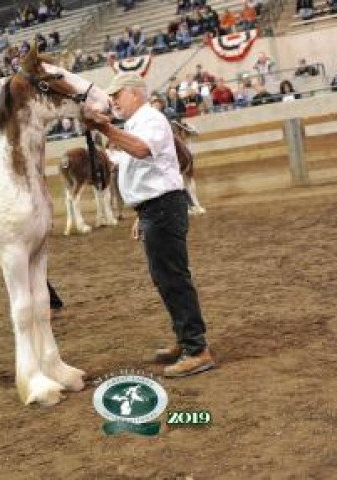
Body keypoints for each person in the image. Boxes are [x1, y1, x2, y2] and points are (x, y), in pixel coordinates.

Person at [81, 73, 214, 377]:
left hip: (165, 207)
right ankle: (187, 340)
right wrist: (143, 214)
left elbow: (141, 150)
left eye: (118, 95)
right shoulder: (137, 123)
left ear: (135, 93)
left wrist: (103, 126)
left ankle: (197, 349)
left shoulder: (150, 120)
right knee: (166, 278)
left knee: (173, 277)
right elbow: (141, 170)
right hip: (156, 209)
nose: (113, 101)